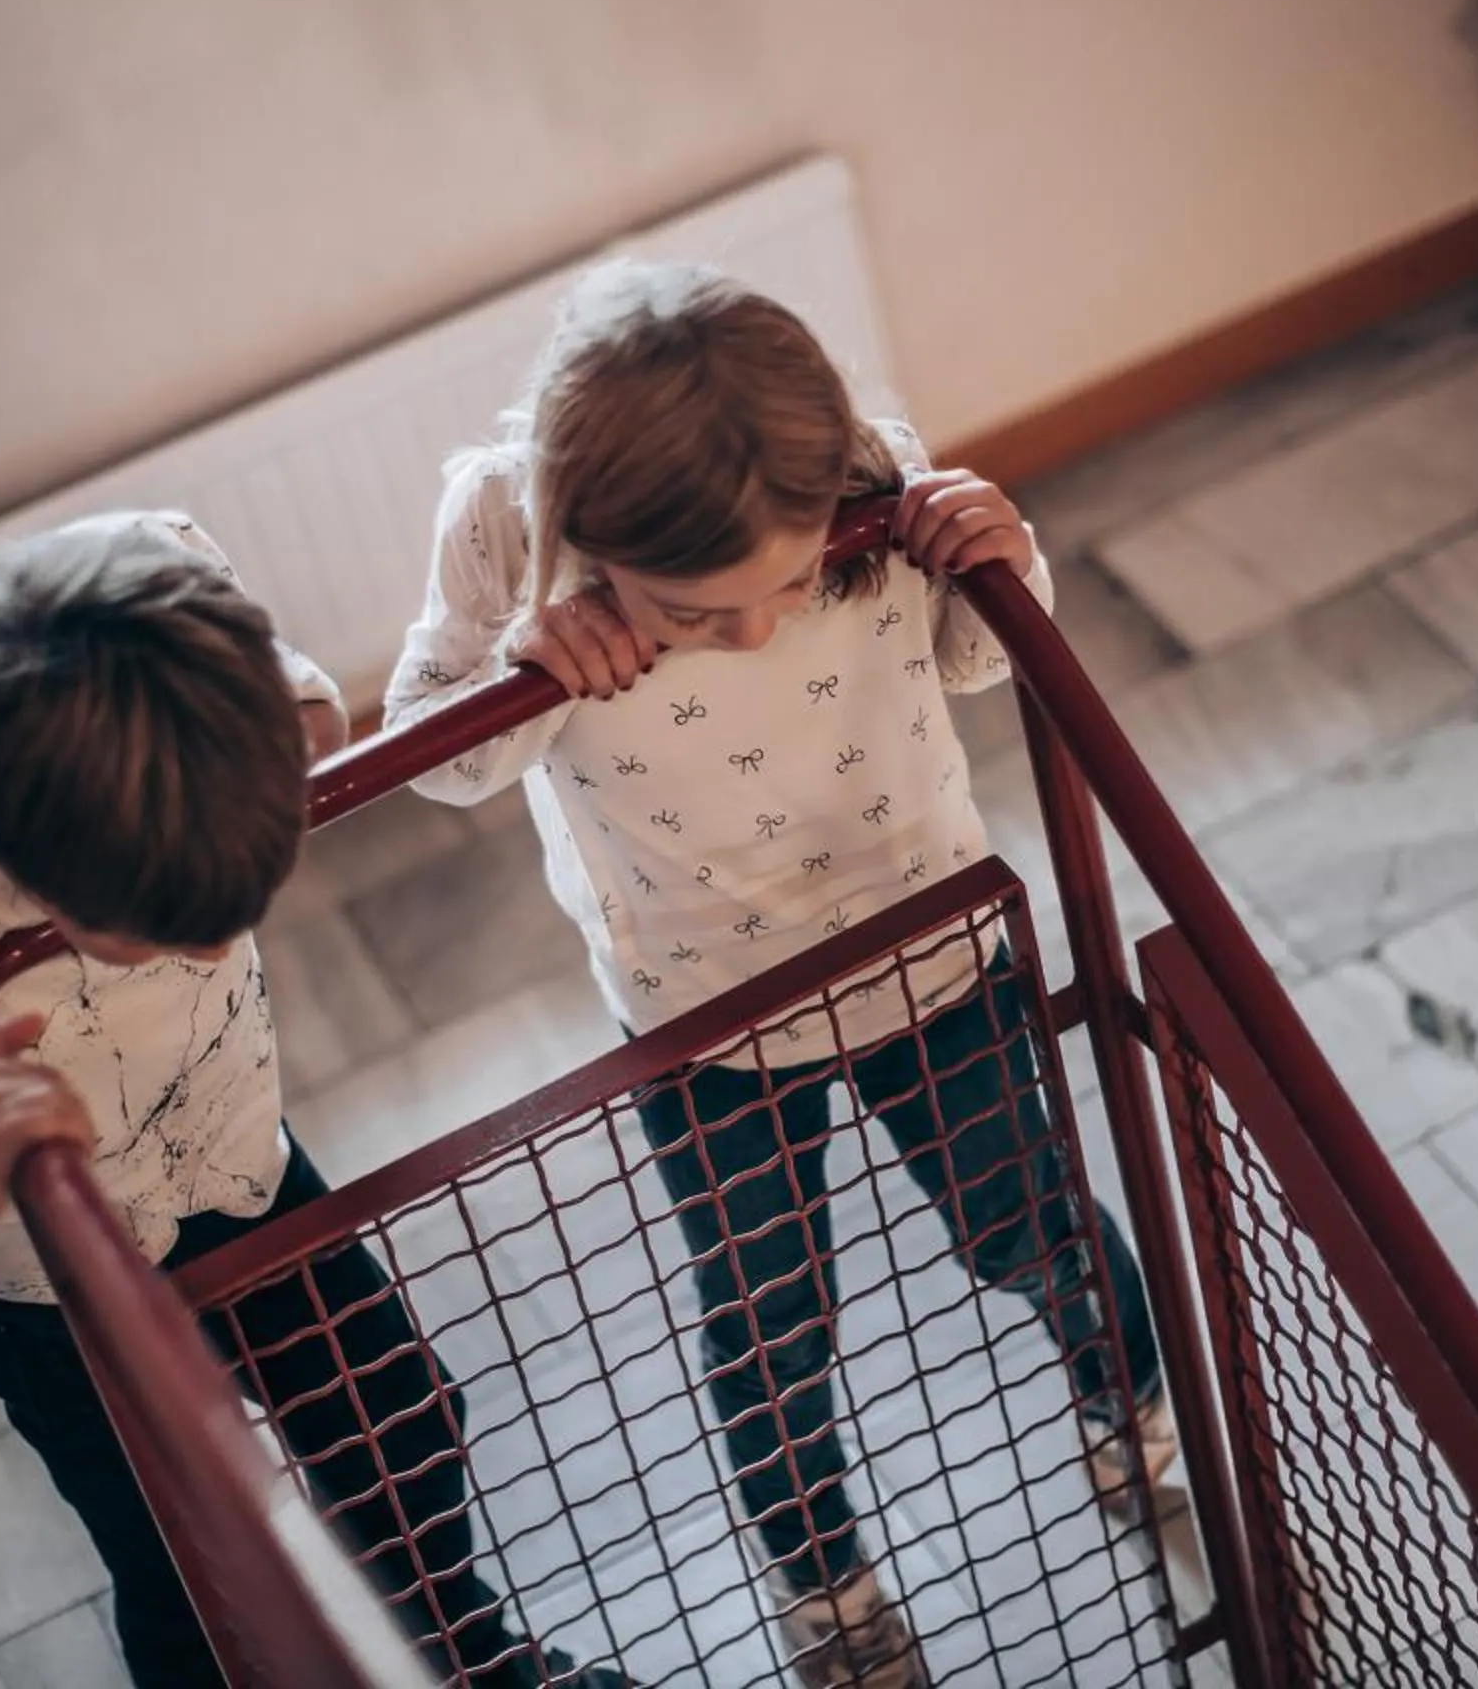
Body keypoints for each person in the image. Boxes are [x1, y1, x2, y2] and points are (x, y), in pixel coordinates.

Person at [382, 265, 1176, 1689]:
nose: (754, 630)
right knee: (767, 1317)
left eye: (791, 582)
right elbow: (437, 762)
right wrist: (521, 664)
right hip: (702, 1017)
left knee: (1032, 1224)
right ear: (588, 541)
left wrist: (1006, 556)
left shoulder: (858, 466)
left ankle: (1137, 1409)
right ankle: (826, 1586)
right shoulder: (504, 529)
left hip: (924, 949)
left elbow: (988, 660)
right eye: (696, 611)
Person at [0, 510, 622, 1689]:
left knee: (400, 1422)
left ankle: (464, 1655)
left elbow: (318, 716)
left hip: (232, 1151)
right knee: (189, 1569)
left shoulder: (174, 592)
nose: (217, 942)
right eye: (157, 936)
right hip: (42, 1286)